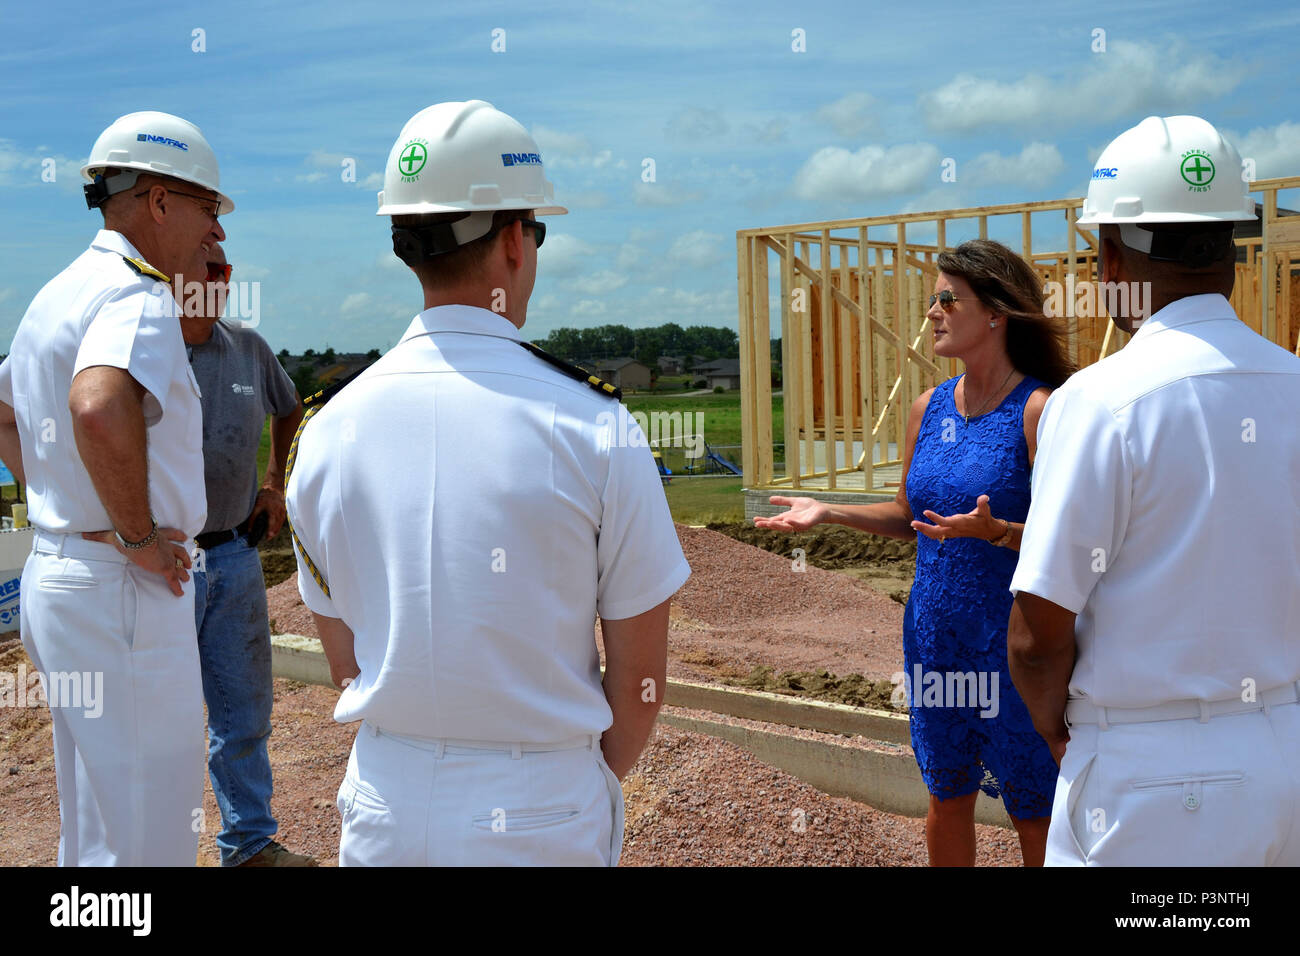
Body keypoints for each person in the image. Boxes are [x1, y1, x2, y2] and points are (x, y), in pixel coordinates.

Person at [285, 100, 690, 867]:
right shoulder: (593, 425)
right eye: (535, 231)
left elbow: (346, 661)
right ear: (512, 239)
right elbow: (639, 682)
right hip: (540, 807)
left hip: (384, 805)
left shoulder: (326, 429)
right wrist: (569, 778)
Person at [1008, 115, 1300, 866]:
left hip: (1147, 781)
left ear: (1111, 257)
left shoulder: (1100, 402)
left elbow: (1038, 634)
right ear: (1232, 249)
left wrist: (1055, 727)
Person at [756, 239, 1074, 866]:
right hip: (935, 636)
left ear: (996, 312)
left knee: (1034, 809)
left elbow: (1073, 540)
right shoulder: (927, 409)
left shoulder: (1041, 410)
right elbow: (910, 517)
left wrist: (1001, 533)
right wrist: (832, 510)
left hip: (1014, 642)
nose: (932, 312)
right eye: (933, 299)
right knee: (945, 794)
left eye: (947, 299)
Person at [0, 111, 229, 865]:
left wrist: (66, 507)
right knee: (150, 834)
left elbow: (6, 411)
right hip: (120, 590)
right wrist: (133, 536)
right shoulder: (139, 295)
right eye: (207, 209)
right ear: (159, 201)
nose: (213, 234)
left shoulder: (56, 293)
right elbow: (98, 405)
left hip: (63, 575)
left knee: (97, 819)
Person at [182, 243, 312, 866]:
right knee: (157, 721)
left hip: (233, 552)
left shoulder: (248, 349)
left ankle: (249, 845)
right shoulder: (143, 349)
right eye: (202, 271)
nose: (215, 281)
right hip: (160, 566)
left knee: (243, 711)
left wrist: (274, 483)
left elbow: (290, 409)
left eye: (222, 272)